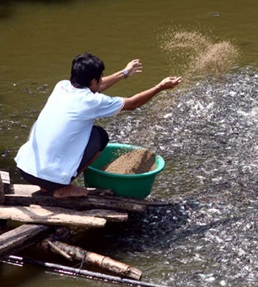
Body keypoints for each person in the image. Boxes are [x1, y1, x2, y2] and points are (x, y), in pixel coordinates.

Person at [15, 52, 182, 198]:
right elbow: (132, 104)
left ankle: (48, 185)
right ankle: (63, 188)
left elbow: (96, 87)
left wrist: (125, 73)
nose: (101, 80)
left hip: (25, 169)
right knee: (100, 136)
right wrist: (159, 87)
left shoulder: (62, 86)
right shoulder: (91, 101)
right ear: (93, 80)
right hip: (50, 178)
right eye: (100, 77)